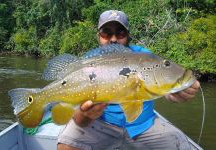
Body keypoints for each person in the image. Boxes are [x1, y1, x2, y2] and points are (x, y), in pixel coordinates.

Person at [57, 10, 200, 150]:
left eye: (120, 32)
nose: (113, 38)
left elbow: (159, 83)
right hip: (100, 125)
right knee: (65, 146)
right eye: (106, 32)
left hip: (144, 126)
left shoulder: (146, 57)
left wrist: (174, 92)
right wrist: (84, 115)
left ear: (128, 35)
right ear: (99, 36)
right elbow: (78, 119)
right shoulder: (86, 63)